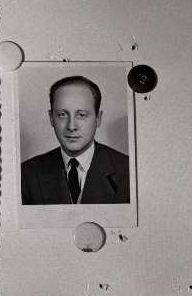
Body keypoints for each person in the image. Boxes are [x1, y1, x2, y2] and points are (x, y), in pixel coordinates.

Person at [21, 75, 130, 205]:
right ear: (51, 118)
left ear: (98, 118)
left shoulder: (128, 171)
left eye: (81, 115)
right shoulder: (27, 174)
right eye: (62, 115)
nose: (71, 126)